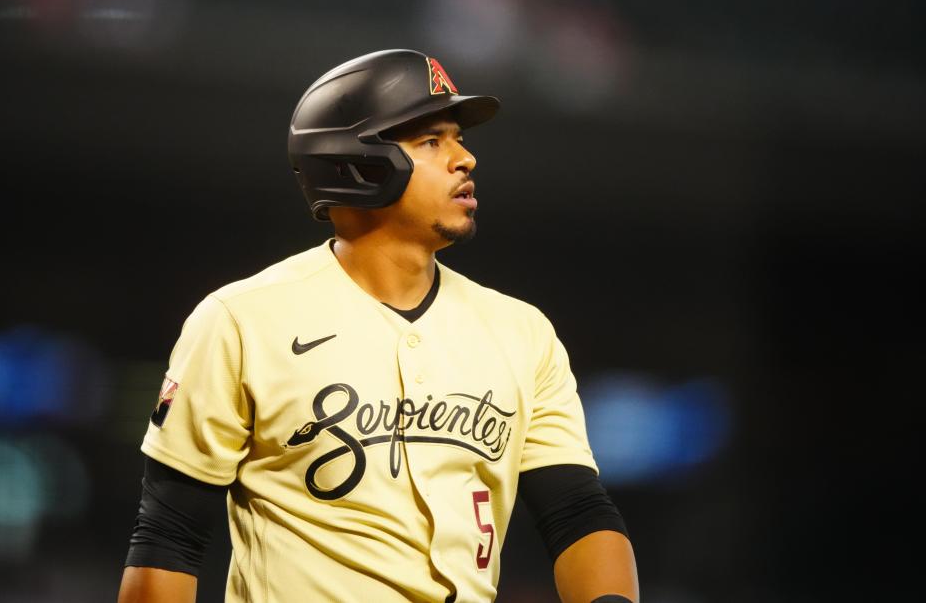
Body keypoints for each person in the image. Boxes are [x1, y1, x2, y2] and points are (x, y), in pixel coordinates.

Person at [117, 49, 638, 603]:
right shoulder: (242, 321)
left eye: (458, 138)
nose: (465, 159)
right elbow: (169, 536)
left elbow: (578, 513)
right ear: (358, 163)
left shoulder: (522, 332)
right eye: (431, 141)